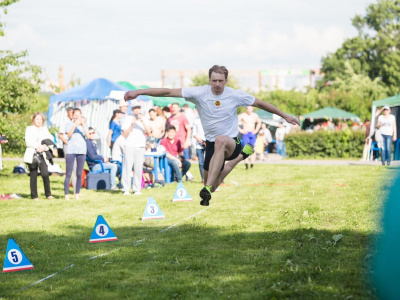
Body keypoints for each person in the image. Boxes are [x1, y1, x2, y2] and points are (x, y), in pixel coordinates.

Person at [124, 64, 299, 206]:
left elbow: (261, 104)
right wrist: (139, 92)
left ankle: (217, 175)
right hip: (211, 145)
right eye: (214, 80)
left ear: (226, 80)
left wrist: (285, 116)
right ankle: (239, 158)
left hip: (232, 141)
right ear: (209, 80)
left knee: (221, 141)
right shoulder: (199, 92)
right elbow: (168, 92)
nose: (217, 84)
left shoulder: (235, 95)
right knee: (213, 185)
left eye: (220, 81)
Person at [121, 100, 151, 195]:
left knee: (138, 168)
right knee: (127, 167)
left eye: (138, 108)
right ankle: (126, 188)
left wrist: (142, 121)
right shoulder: (128, 119)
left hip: (140, 145)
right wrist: (132, 125)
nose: (137, 110)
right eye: (135, 109)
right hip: (129, 145)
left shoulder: (144, 119)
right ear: (132, 110)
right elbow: (124, 134)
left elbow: (148, 132)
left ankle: (137, 189)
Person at [24, 113, 55, 200]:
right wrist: (37, 147)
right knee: (33, 174)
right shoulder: (29, 129)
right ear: (33, 119)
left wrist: (44, 147)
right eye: (37, 119)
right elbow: (28, 141)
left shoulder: (44, 129)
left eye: (40, 119)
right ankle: (34, 195)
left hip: (43, 154)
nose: (39, 121)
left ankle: (48, 194)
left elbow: (51, 139)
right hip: (32, 154)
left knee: (45, 174)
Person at [64, 108, 90, 200]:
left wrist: (83, 125)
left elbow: (88, 136)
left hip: (81, 151)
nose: (77, 117)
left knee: (79, 173)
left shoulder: (84, 125)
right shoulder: (69, 124)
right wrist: (75, 124)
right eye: (75, 115)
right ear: (73, 115)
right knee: (69, 173)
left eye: (79, 115)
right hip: (71, 150)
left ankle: (77, 193)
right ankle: (66, 194)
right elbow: (69, 135)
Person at [192, 115, 206, 182]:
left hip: (208, 143)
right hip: (199, 144)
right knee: (201, 162)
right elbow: (194, 133)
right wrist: (197, 138)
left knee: (210, 161)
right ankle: (203, 178)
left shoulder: (209, 118)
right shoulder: (196, 120)